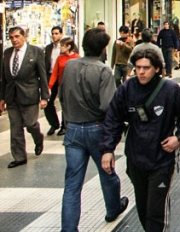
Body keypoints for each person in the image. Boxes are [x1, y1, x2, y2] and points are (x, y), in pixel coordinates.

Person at [101, 49, 180, 231]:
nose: (142, 72)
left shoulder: (170, 90)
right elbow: (113, 119)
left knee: (156, 213)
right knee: (143, 209)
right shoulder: (127, 89)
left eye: (146, 68)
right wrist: (108, 149)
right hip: (136, 159)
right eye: (138, 68)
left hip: (162, 160)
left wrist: (178, 137)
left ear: (156, 69)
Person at [59, 28, 129, 231]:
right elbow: (109, 105)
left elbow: (62, 95)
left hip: (73, 128)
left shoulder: (70, 65)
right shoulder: (103, 70)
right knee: (107, 172)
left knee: (72, 183)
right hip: (96, 127)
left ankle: (69, 228)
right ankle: (113, 208)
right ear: (103, 49)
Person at [0, 26, 48, 168]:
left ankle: (38, 139)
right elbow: (4, 77)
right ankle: (19, 157)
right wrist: (2, 98)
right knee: (15, 127)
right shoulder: (7, 53)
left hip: (29, 94)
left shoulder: (36, 51)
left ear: (24, 36)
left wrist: (44, 96)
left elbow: (42, 75)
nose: (14, 40)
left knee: (30, 124)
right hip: (12, 96)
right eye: (12, 37)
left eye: (17, 36)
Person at [47, 37, 80, 136]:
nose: (60, 48)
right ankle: (65, 126)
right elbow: (55, 73)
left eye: (62, 46)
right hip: (62, 85)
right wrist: (50, 86)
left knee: (71, 106)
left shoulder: (77, 57)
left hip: (73, 86)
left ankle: (70, 127)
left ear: (69, 47)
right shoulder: (60, 58)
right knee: (64, 106)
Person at [44, 26, 64, 136]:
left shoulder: (66, 46)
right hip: (51, 76)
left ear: (61, 34)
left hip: (62, 77)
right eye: (53, 33)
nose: (54, 35)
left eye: (56, 33)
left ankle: (64, 126)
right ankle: (54, 123)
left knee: (63, 101)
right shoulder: (48, 48)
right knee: (48, 101)